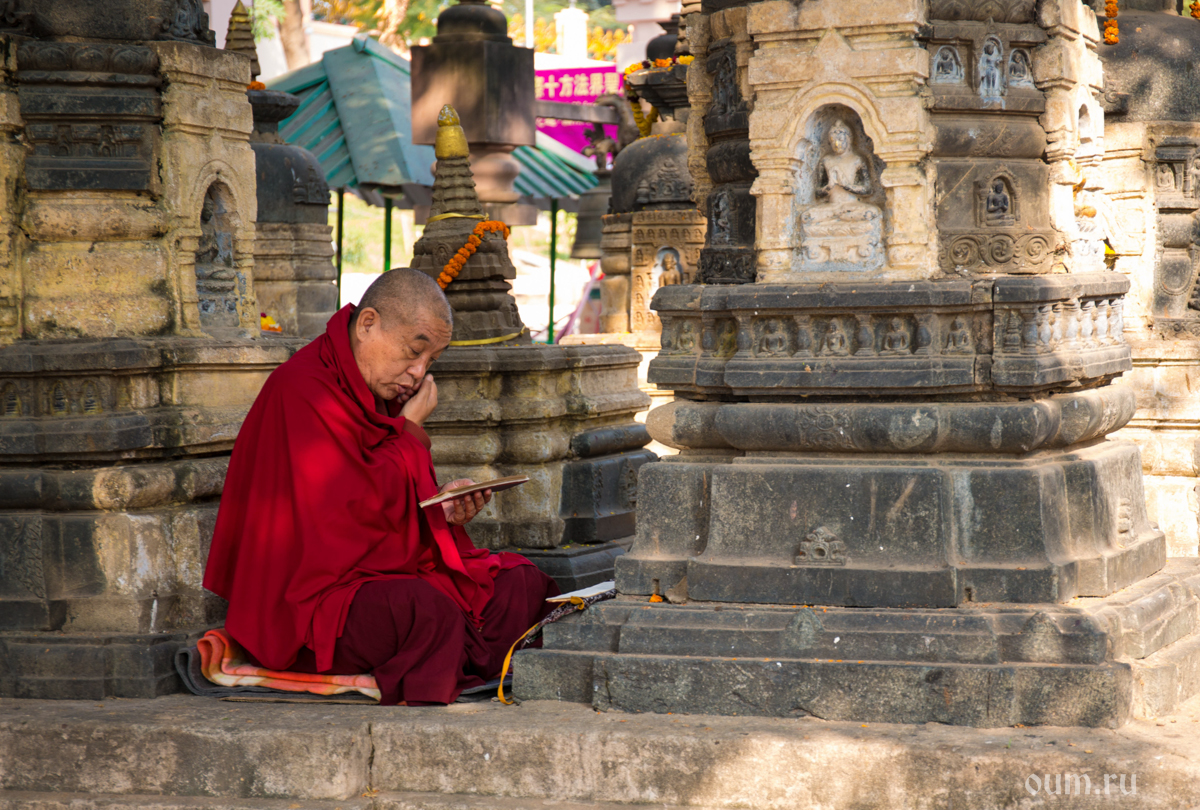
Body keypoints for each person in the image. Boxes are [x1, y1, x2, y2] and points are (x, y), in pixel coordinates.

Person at [203, 269, 559, 705]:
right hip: (313, 603)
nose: (418, 373)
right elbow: (339, 519)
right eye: (414, 351)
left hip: (379, 574)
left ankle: (461, 657)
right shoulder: (302, 390)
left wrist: (442, 507)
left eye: (431, 361)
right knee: (424, 611)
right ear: (368, 324)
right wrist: (409, 431)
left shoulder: (378, 393)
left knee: (522, 582)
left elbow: (383, 497)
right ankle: (461, 659)